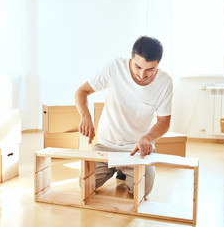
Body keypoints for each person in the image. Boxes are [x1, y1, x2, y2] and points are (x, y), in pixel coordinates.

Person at [74, 36, 173, 196]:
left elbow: (164, 122)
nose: (142, 74)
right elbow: (81, 92)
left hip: (137, 149)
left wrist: (148, 138)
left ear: (158, 64)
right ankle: (115, 169)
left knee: (142, 191)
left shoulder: (165, 82)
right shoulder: (114, 68)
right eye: (138, 67)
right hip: (106, 144)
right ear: (131, 57)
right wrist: (86, 116)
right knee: (84, 185)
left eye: (150, 69)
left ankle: (123, 171)